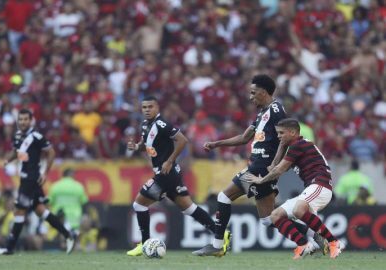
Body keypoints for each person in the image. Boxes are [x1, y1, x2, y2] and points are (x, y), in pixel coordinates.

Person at [193, 75, 323, 256]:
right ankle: (312, 234)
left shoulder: (276, 110)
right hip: (258, 166)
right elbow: (244, 138)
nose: (250, 97)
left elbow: (284, 141)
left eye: (253, 93)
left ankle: (217, 244)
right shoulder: (263, 113)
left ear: (263, 92)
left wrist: (274, 165)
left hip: (261, 168)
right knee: (268, 220)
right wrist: (217, 144)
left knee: (224, 197)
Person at [126, 96, 231, 256]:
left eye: (150, 107)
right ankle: (220, 233)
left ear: (157, 108)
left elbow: (183, 140)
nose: (147, 110)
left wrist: (169, 160)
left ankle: (144, 243)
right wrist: (137, 146)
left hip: (165, 174)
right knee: (189, 208)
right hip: (170, 174)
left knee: (139, 204)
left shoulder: (162, 125)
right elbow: (147, 146)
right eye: (144, 107)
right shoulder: (146, 125)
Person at [245, 118, 343, 259]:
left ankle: (334, 242)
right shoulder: (295, 147)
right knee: (275, 216)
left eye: (281, 133)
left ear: (292, 132)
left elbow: (278, 170)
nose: (278, 136)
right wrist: (279, 150)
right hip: (312, 188)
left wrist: (260, 181)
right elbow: (273, 168)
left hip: (321, 186)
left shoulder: (299, 145)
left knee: (298, 210)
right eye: (278, 133)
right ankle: (303, 244)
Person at [0, 109, 74, 255]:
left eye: (25, 119)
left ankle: (9, 248)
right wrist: (7, 160)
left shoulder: (36, 136)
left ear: (31, 120)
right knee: (41, 211)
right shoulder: (18, 135)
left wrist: (45, 173)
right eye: (20, 119)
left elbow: (51, 152)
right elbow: (16, 152)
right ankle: (68, 235)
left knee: (19, 211)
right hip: (24, 177)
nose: (22, 122)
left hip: (31, 178)